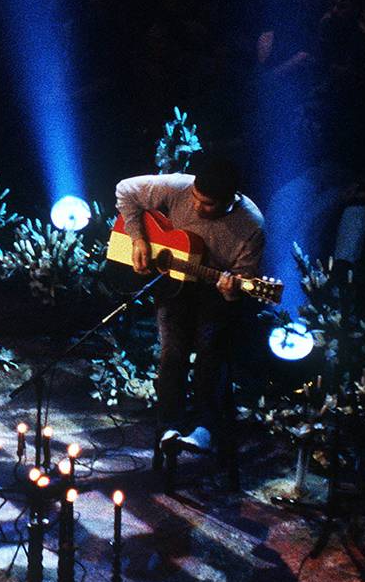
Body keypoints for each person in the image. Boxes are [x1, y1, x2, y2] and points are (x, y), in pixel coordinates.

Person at [114, 156, 265, 456]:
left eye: (207, 204)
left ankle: (204, 428)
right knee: (172, 354)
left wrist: (232, 290)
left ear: (230, 201)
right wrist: (138, 239)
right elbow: (125, 190)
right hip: (174, 285)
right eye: (195, 197)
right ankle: (168, 427)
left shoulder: (251, 225)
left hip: (214, 293)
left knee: (210, 353)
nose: (196, 206)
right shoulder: (179, 187)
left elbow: (243, 281)